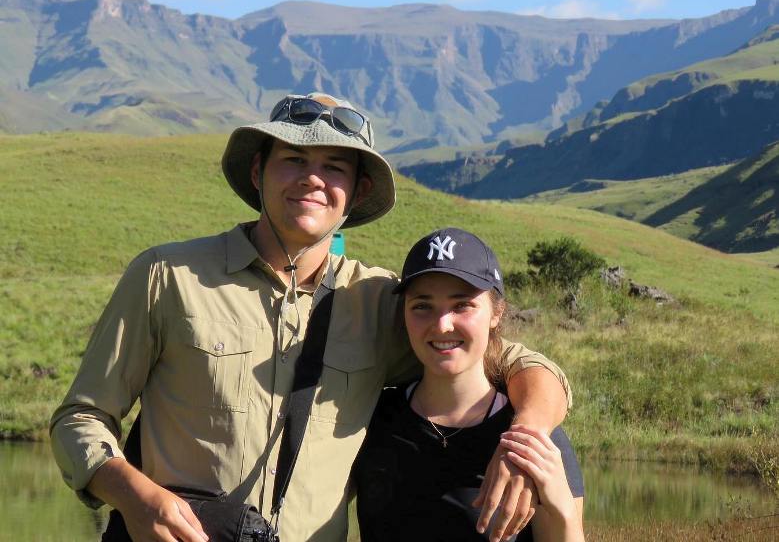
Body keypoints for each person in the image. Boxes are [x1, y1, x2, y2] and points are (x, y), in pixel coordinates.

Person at [49, 93, 572, 542]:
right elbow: (81, 418)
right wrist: (134, 497)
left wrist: (526, 438)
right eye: (293, 159)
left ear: (357, 191)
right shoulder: (167, 276)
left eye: (334, 166)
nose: (312, 180)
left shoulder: (379, 300)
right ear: (258, 171)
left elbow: (517, 362)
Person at [354, 228, 584, 541]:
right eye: (422, 306)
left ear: (496, 312)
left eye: (462, 305)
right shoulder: (373, 417)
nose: (442, 324)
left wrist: (561, 511)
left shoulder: (534, 433)